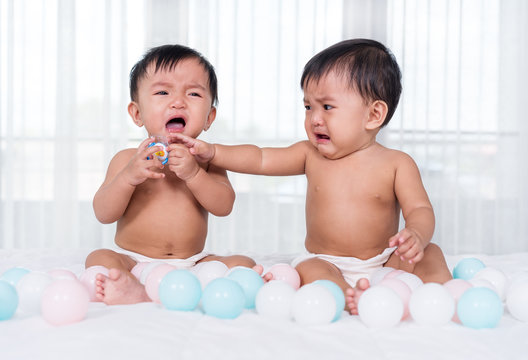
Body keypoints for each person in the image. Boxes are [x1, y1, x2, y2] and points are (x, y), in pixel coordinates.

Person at [171, 39, 453, 314]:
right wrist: (212, 152)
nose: (314, 118)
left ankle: (442, 293)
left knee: (431, 252)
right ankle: (345, 295)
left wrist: (416, 233)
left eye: (327, 107)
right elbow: (261, 158)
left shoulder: (397, 163)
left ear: (373, 115)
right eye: (308, 107)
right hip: (327, 261)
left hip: (385, 262)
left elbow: (420, 209)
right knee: (306, 268)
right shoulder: (310, 154)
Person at [86, 44, 258, 305]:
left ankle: (194, 287)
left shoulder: (208, 161)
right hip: (134, 260)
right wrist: (129, 177)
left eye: (193, 94)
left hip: (191, 263)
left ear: (209, 117)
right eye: (163, 92)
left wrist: (194, 174)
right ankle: (133, 287)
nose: (178, 101)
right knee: (99, 258)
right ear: (137, 113)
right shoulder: (126, 160)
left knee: (243, 263)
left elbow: (224, 206)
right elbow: (104, 213)